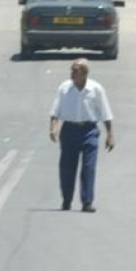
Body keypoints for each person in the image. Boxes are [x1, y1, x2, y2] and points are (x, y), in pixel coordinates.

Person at [49, 58, 114, 213]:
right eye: (71, 70)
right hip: (69, 130)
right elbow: (55, 111)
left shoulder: (96, 89)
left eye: (75, 70)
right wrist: (53, 128)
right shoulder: (65, 88)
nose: (72, 73)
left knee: (88, 168)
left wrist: (110, 135)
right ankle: (66, 199)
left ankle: (87, 202)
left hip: (89, 130)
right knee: (67, 167)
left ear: (84, 73)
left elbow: (105, 113)